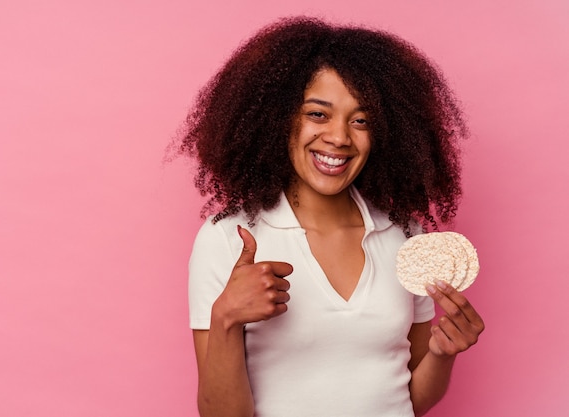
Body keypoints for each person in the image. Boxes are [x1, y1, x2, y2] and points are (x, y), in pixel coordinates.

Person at [177, 16, 484, 417]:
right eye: (318, 114)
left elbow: (407, 402)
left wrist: (443, 354)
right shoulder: (227, 239)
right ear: (278, 118)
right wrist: (226, 317)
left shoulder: (406, 236)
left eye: (361, 121)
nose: (339, 137)